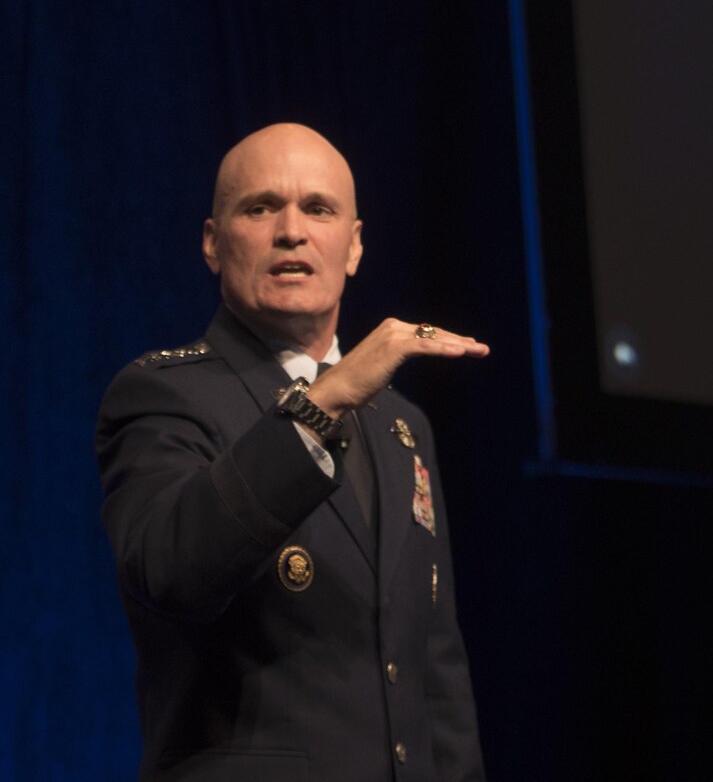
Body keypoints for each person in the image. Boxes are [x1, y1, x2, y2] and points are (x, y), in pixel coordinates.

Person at [96, 122, 490, 780]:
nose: (291, 231)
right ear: (212, 243)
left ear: (354, 245)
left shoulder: (403, 426)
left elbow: (436, 674)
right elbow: (171, 572)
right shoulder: (162, 394)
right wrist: (323, 401)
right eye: (259, 207)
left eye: (318, 208)